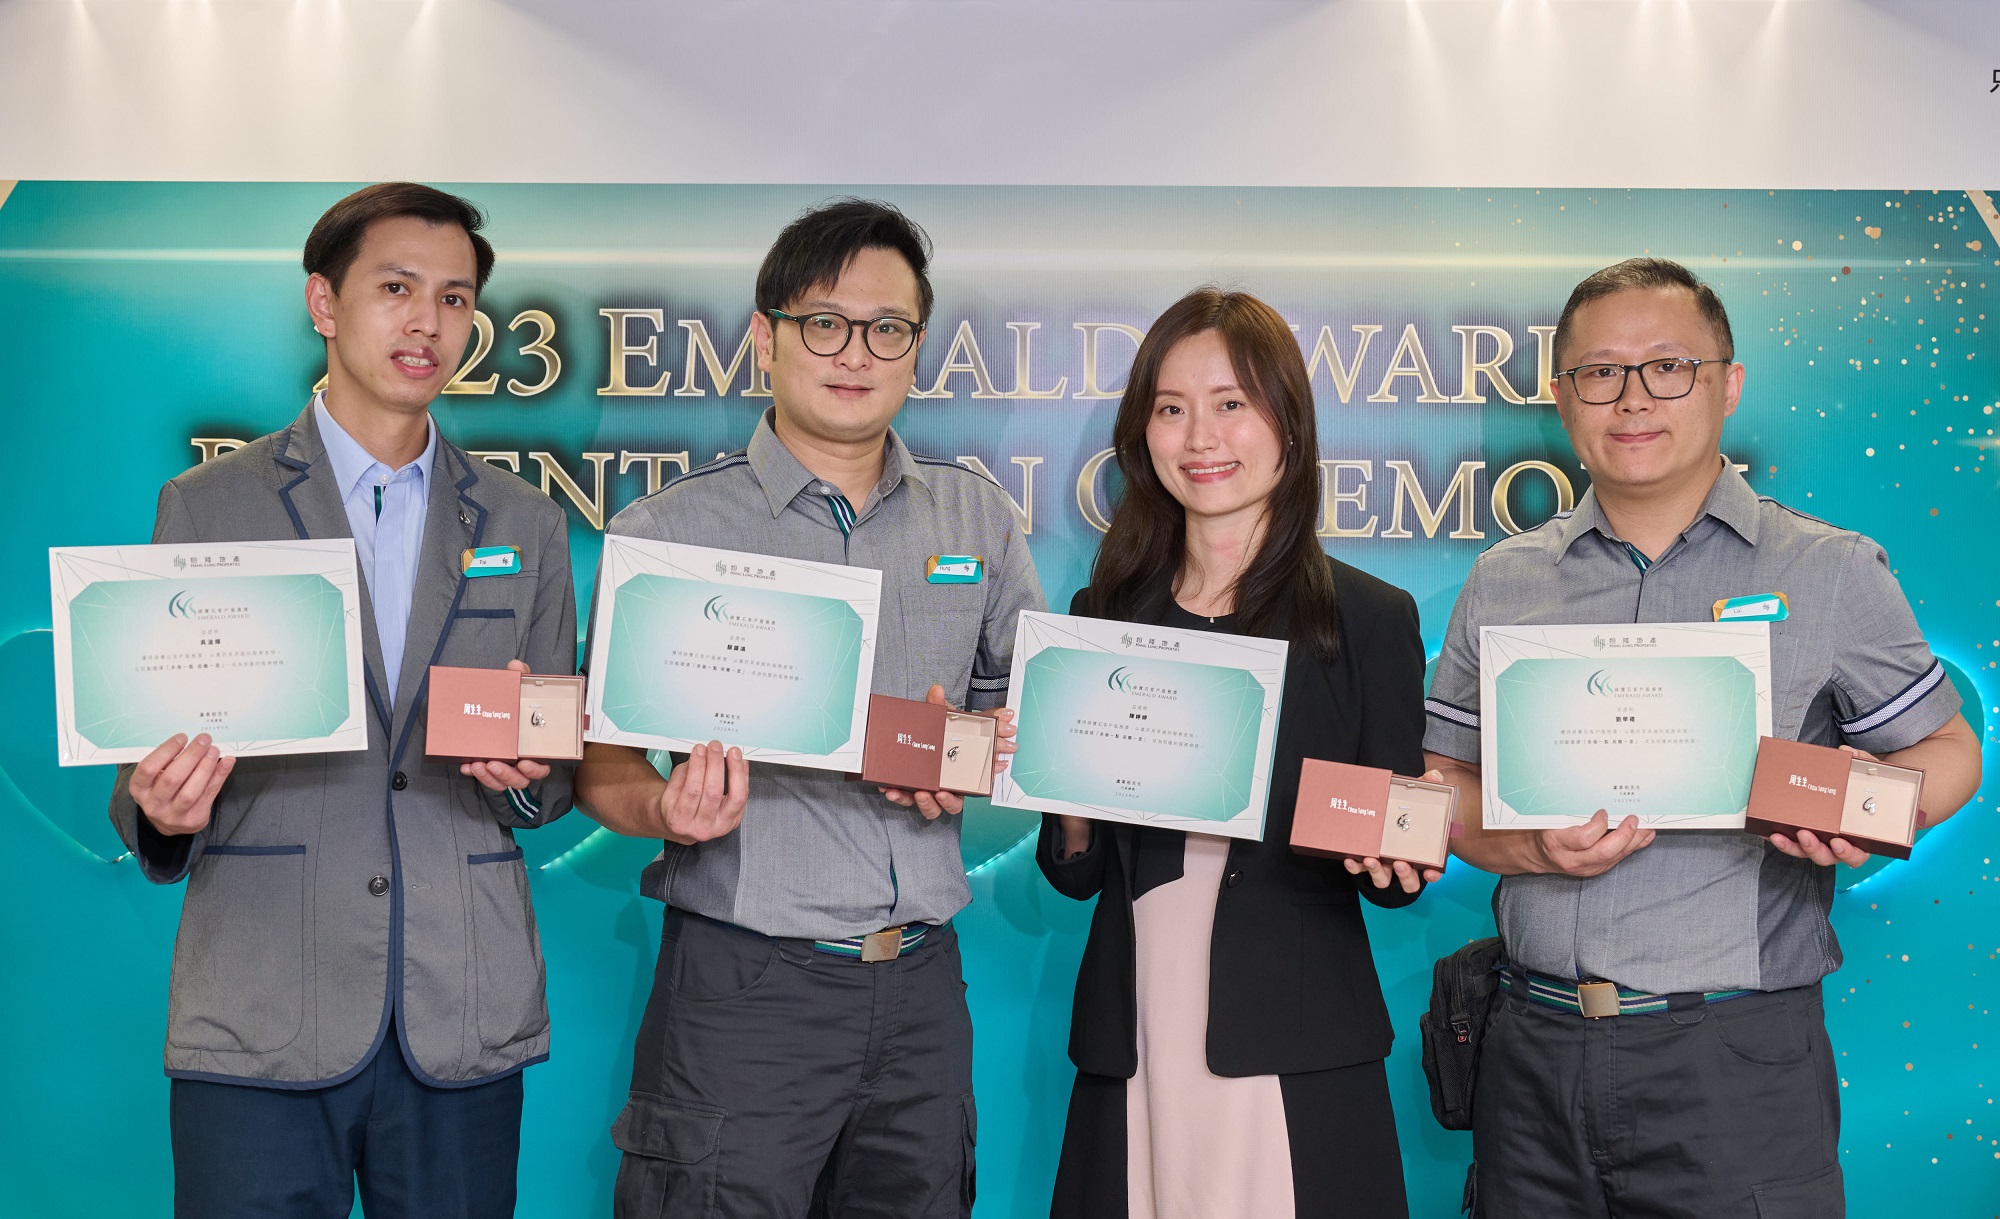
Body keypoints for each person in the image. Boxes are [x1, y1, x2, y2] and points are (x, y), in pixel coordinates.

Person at [1424, 257, 1984, 1217]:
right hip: (1531, 1052)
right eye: (1600, 372)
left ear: (1727, 385)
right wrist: (1531, 847)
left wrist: (1873, 806)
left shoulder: (1830, 569)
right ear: (1562, 397)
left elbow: (1949, 751)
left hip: (1736, 1059)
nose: (1633, 397)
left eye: (1668, 366)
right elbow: (1445, 785)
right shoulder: (1504, 581)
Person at [107, 182, 578, 1217]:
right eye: (396, 289)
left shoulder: (524, 522)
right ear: (324, 302)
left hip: (460, 1007)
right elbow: (149, 753)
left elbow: (552, 777)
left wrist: (529, 776)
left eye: (454, 299)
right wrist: (163, 810)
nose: (427, 323)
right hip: (262, 1000)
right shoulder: (210, 504)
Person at [574, 198, 1046, 1219]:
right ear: (766, 337)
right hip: (743, 987)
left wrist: (967, 758)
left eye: (887, 328)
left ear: (917, 346)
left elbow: (1027, 734)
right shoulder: (671, 529)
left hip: (921, 988)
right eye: (824, 323)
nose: (855, 353)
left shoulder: (976, 517)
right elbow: (601, 767)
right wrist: (664, 809)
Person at [1037, 287, 1433, 1219]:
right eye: (1171, 409)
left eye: (1231, 403)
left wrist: (1399, 856)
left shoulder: (1370, 619)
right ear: (1142, 434)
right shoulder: (1101, 618)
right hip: (1137, 1021)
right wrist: (1058, 781)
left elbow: (1395, 867)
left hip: (1295, 1030)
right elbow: (1075, 872)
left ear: (1288, 423)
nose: (1201, 437)